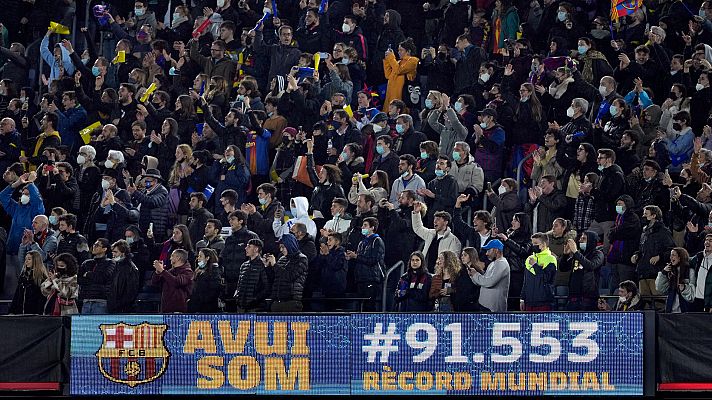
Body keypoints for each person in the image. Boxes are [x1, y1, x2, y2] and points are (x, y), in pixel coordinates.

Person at [345, 217, 385, 311]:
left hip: (371, 278)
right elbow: (360, 259)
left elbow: (374, 260)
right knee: (360, 307)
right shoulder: (362, 242)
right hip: (360, 278)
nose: (362, 227)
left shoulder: (377, 241)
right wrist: (350, 257)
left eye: (365, 225)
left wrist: (356, 256)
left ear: (372, 228)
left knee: (369, 306)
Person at [559, 231, 604, 311]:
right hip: (574, 296)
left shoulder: (598, 254)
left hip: (588, 297)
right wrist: (565, 255)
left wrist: (576, 252)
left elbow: (591, 266)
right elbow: (563, 268)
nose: (580, 241)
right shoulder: (578, 254)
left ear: (590, 241)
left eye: (584, 239)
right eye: (580, 238)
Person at [412, 202, 462, 273]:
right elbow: (418, 228)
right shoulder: (430, 234)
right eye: (434, 219)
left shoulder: (454, 241)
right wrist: (416, 213)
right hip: (425, 273)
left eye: (438, 219)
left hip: (440, 276)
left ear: (445, 222)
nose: (434, 222)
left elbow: (453, 262)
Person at [265, 233, 309, 312]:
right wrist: (268, 266)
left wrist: (275, 265)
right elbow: (275, 277)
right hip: (277, 302)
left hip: (291, 302)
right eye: (280, 247)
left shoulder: (302, 259)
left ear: (290, 245)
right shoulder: (282, 258)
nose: (281, 250)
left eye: (283, 247)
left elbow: (290, 277)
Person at [468, 240, 510, 312]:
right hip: (485, 306)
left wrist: (475, 274)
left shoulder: (502, 264)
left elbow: (489, 282)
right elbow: (482, 282)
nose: (486, 253)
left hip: (493, 309)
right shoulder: (493, 263)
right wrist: (472, 275)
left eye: (488, 250)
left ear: (496, 250)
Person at [520, 232, 557, 311]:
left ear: (543, 244)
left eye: (535, 243)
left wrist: (535, 266)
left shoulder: (551, 259)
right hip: (529, 302)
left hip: (544, 302)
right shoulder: (529, 259)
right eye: (532, 243)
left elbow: (546, 278)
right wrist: (522, 298)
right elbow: (525, 281)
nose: (533, 246)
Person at [78, 238, 115, 314]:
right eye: (94, 244)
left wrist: (88, 274)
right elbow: (80, 279)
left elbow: (103, 278)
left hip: (101, 301)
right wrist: (94, 278)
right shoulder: (86, 263)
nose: (94, 247)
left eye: (97, 245)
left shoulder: (110, 263)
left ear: (104, 249)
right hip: (86, 300)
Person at [151, 249, 194, 313]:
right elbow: (155, 283)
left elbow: (176, 282)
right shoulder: (171, 271)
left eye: (172, 256)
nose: (170, 258)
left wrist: (162, 271)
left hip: (179, 311)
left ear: (178, 258)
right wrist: (158, 272)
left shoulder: (187, 272)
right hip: (166, 309)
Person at [656, 247, 696, 313]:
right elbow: (660, 288)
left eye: (673, 255)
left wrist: (684, 288)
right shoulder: (670, 271)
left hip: (685, 311)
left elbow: (692, 295)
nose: (671, 258)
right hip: (671, 311)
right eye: (670, 255)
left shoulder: (690, 271)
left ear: (680, 257)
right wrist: (663, 273)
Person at [235, 239, 269, 312]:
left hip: (256, 307)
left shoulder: (263, 265)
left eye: (249, 246)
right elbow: (239, 285)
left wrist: (255, 299)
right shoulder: (244, 265)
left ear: (256, 249)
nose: (246, 248)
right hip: (241, 306)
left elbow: (266, 287)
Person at [9, 250, 49, 314]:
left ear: (36, 261)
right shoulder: (23, 276)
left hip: (34, 315)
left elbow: (42, 300)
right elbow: (17, 295)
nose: (26, 261)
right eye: (25, 259)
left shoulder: (42, 278)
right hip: (20, 314)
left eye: (29, 259)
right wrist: (11, 311)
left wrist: (39, 315)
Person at [108, 239, 140, 313]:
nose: (113, 254)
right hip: (115, 307)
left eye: (115, 252)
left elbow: (131, 291)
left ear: (123, 253)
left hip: (125, 309)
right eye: (112, 252)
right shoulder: (116, 266)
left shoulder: (130, 268)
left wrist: (119, 305)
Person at [188, 248, 223, 313]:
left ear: (207, 258)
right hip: (197, 308)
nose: (198, 258)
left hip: (207, 309)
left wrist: (200, 302)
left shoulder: (214, 272)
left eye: (200, 256)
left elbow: (213, 292)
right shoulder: (198, 271)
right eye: (198, 256)